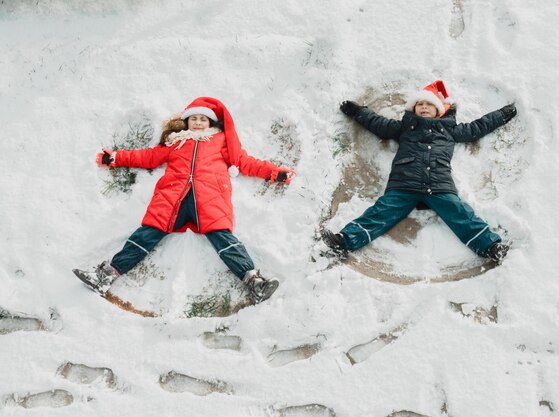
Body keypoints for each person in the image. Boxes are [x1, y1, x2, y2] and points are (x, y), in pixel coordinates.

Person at [73, 97, 295, 303]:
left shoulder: (220, 142)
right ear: (187, 122)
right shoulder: (175, 142)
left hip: (208, 199)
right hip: (173, 198)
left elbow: (246, 162)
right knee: (146, 235)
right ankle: (106, 275)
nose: (198, 123)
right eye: (194, 119)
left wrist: (274, 173)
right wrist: (115, 157)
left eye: (203, 119)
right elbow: (147, 157)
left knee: (223, 239)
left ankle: (254, 281)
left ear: (210, 122)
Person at [321, 80, 516, 264]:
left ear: (438, 110)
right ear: (413, 108)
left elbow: (478, 127)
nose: (423, 107)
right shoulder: (405, 127)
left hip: (439, 185)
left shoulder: (449, 129)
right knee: (381, 212)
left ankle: (491, 247)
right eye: (419, 104)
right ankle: (344, 241)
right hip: (404, 184)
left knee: (460, 213)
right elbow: (377, 123)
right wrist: (356, 111)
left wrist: (501, 115)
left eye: (428, 104)